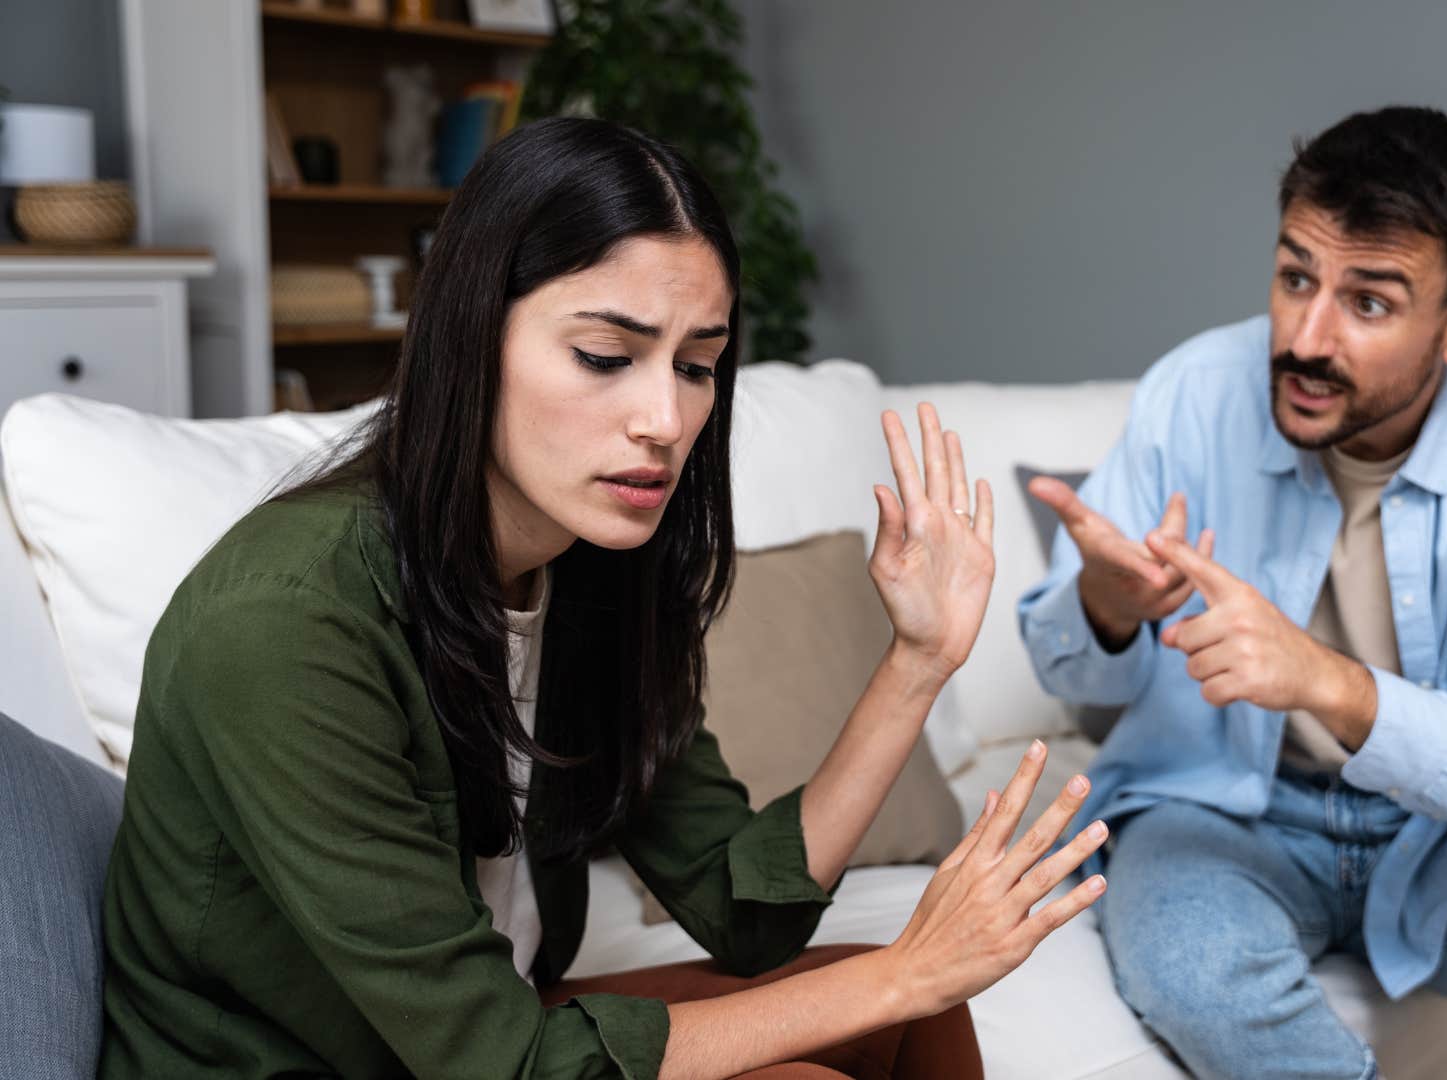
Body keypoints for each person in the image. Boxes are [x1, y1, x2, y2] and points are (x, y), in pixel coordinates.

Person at [99, 117, 1109, 1079]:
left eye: (699, 366)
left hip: (490, 1037)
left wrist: (918, 662)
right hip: (334, 1062)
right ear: (470, 334)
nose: (666, 419)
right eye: (604, 358)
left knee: (919, 1022)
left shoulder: (592, 570)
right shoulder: (285, 622)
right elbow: (500, 1064)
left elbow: (741, 907)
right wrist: (902, 969)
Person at [1018, 106, 1447, 1079]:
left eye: (1372, 303)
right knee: (1195, 972)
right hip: (1225, 805)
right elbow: (1059, 659)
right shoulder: (1193, 392)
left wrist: (1327, 682)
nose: (1306, 339)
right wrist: (1105, 600)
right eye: (1295, 276)